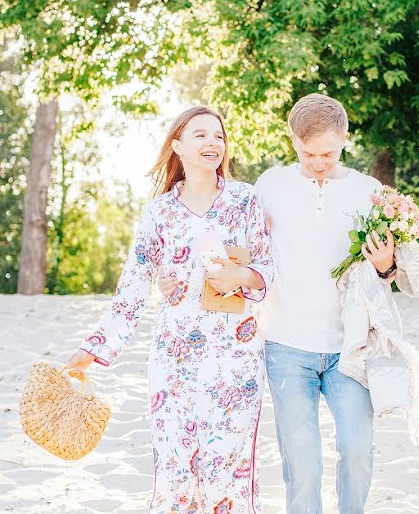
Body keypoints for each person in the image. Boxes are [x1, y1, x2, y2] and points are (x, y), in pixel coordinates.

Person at [160, 94, 400, 514]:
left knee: (358, 450)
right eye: (307, 153)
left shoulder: (369, 191)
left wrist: (385, 265)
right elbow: (230, 245)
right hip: (286, 346)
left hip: (351, 348)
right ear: (292, 141)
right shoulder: (269, 185)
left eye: (327, 152)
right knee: (302, 463)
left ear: (345, 139)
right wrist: (178, 279)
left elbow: (391, 272)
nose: (317, 161)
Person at [65, 106, 274, 514]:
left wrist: (241, 276)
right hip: (174, 358)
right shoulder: (159, 212)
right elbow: (133, 287)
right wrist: (91, 351)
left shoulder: (246, 200)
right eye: (200, 135)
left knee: (224, 473)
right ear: (177, 145)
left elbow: (268, 267)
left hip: (236, 356)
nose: (213, 143)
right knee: (175, 471)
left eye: (218, 135)